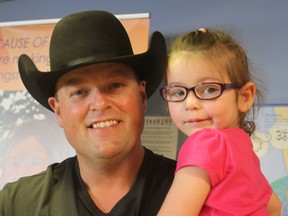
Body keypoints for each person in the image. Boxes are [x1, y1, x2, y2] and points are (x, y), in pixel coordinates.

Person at [0, 10, 176, 216]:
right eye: (79, 92)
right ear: (58, 111)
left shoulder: (196, 189)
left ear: (142, 95)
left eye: (115, 85)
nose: (99, 103)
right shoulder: (17, 204)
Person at [157, 28, 282, 215]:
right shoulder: (241, 146)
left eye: (208, 90)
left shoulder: (206, 142)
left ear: (245, 97)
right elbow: (275, 206)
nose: (190, 103)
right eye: (178, 92)